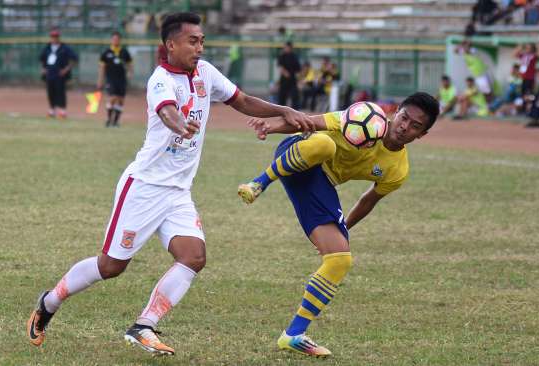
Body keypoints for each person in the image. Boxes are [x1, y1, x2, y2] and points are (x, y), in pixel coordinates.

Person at [27, 12, 313, 356]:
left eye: (202, 41)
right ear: (171, 44)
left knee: (194, 256)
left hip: (178, 191)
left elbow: (242, 100)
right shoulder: (160, 79)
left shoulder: (205, 73)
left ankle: (143, 326)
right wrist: (179, 124)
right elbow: (166, 111)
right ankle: (49, 302)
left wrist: (285, 110)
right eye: (193, 41)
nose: (199, 47)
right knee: (111, 266)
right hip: (144, 187)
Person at [237, 92, 440, 358]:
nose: (405, 127)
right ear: (395, 112)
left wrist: (343, 231)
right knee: (325, 145)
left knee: (339, 258)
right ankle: (258, 182)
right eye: (404, 117)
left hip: (318, 184)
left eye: (415, 126)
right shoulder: (365, 116)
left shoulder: (398, 170)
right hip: (297, 152)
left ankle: (293, 334)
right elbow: (311, 122)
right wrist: (272, 126)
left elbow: (368, 201)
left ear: (421, 134)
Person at [97, 31, 133, 127]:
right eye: (114, 39)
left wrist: (130, 72)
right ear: (111, 40)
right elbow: (102, 67)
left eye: (117, 39)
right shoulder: (106, 52)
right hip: (110, 79)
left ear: (120, 40)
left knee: (121, 100)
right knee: (112, 98)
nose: (115, 41)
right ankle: (109, 119)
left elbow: (130, 63)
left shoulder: (124, 52)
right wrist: (100, 80)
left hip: (122, 79)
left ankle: (115, 122)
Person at [39, 29, 77, 119]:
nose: (54, 39)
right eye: (52, 37)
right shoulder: (47, 48)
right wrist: (43, 69)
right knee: (50, 92)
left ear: (58, 37)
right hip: (50, 74)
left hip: (60, 75)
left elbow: (74, 58)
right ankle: (51, 110)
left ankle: (62, 111)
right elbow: (42, 59)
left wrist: (66, 69)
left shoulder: (64, 48)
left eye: (56, 37)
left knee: (60, 92)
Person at [277, 41, 301, 109]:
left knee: (295, 96)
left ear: (290, 48)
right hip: (284, 80)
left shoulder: (294, 56)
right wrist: (285, 73)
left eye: (286, 47)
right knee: (282, 96)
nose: (284, 48)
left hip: (293, 80)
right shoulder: (282, 56)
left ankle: (295, 111)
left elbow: (298, 69)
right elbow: (281, 67)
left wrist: (299, 80)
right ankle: (281, 111)